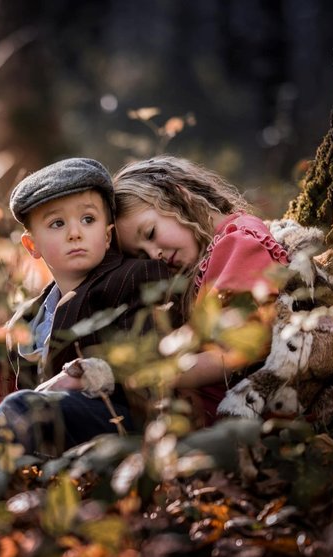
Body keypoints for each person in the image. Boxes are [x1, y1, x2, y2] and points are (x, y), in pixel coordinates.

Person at [0, 157, 180, 490]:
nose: (75, 233)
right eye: (57, 224)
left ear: (108, 235)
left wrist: (90, 373)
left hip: (122, 423)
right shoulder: (27, 319)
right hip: (54, 443)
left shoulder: (134, 276)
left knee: (26, 408)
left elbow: (154, 349)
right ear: (32, 245)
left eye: (88, 219)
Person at [112, 155, 290, 424]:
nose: (154, 255)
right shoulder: (205, 260)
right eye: (142, 255)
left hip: (241, 418)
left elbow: (239, 348)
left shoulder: (237, 243)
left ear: (178, 196)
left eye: (149, 234)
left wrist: (154, 373)